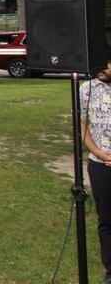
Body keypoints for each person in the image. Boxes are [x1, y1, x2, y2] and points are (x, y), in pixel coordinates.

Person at [81, 58, 111, 284]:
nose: (101, 68)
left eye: (107, 64)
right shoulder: (87, 89)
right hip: (100, 166)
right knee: (107, 220)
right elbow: (82, 126)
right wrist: (99, 154)